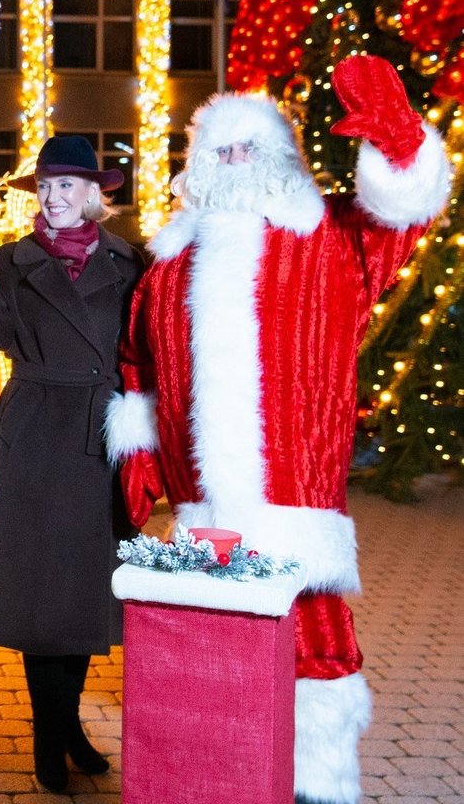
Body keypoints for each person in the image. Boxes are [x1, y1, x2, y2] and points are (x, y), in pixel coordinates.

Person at [104, 55, 451, 804]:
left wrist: (396, 140)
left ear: (284, 159)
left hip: (297, 502)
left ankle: (319, 783)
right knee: (208, 646)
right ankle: (221, 772)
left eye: (250, 148)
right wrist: (138, 459)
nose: (234, 162)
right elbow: (138, 365)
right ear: (197, 165)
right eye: (219, 150)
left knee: (313, 639)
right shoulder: (168, 267)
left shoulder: (329, 240)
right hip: (205, 517)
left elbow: (405, 214)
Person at [0, 135, 143, 792]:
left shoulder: (129, 260)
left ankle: (67, 728)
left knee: (83, 592)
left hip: (98, 431)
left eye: (68, 186)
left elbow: (146, 342)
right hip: (35, 431)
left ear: (93, 195)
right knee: (41, 592)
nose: (55, 197)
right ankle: (47, 734)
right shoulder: (10, 260)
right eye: (46, 187)